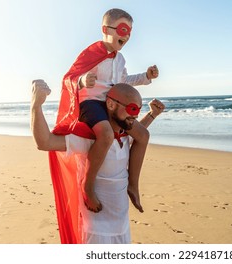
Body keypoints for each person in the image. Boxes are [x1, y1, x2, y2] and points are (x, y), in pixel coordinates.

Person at [31, 80, 165, 243]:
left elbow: (139, 132)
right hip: (97, 229)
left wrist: (152, 114)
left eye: (138, 109)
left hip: (121, 226)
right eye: (132, 108)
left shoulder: (124, 135)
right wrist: (36, 106)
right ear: (110, 104)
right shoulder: (88, 138)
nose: (135, 115)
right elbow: (45, 142)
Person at [55, 8, 159, 215]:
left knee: (143, 135)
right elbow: (70, 77)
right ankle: (88, 185)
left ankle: (133, 184)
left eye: (129, 31)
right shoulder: (91, 53)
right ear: (106, 29)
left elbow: (125, 82)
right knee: (106, 134)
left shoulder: (120, 60)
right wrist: (83, 81)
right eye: (122, 29)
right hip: (91, 104)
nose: (126, 35)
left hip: (112, 105)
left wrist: (146, 77)